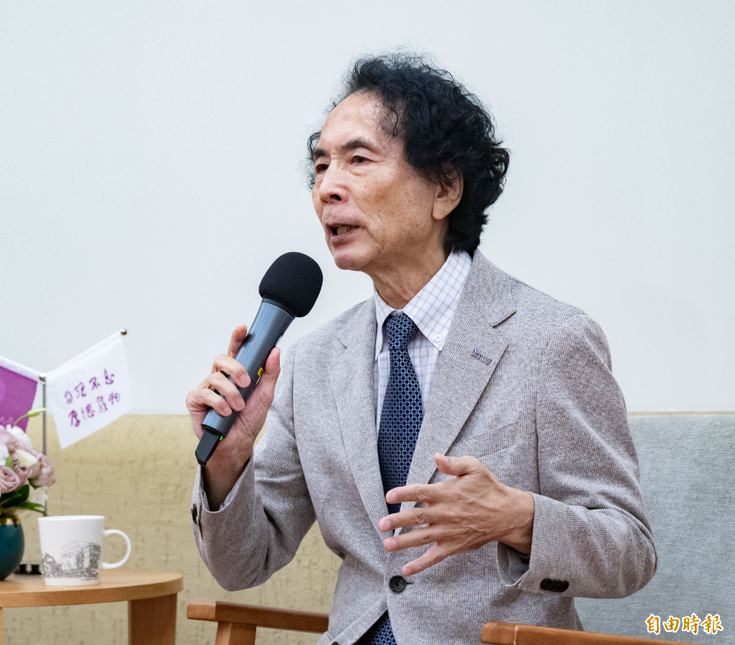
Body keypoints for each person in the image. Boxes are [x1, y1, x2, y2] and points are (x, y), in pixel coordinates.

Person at [187, 53, 656, 645]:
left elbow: (629, 551)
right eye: (321, 166)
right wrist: (228, 461)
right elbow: (241, 566)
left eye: (358, 160)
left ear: (445, 187)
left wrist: (516, 518)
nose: (327, 188)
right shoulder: (312, 361)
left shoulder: (550, 340)